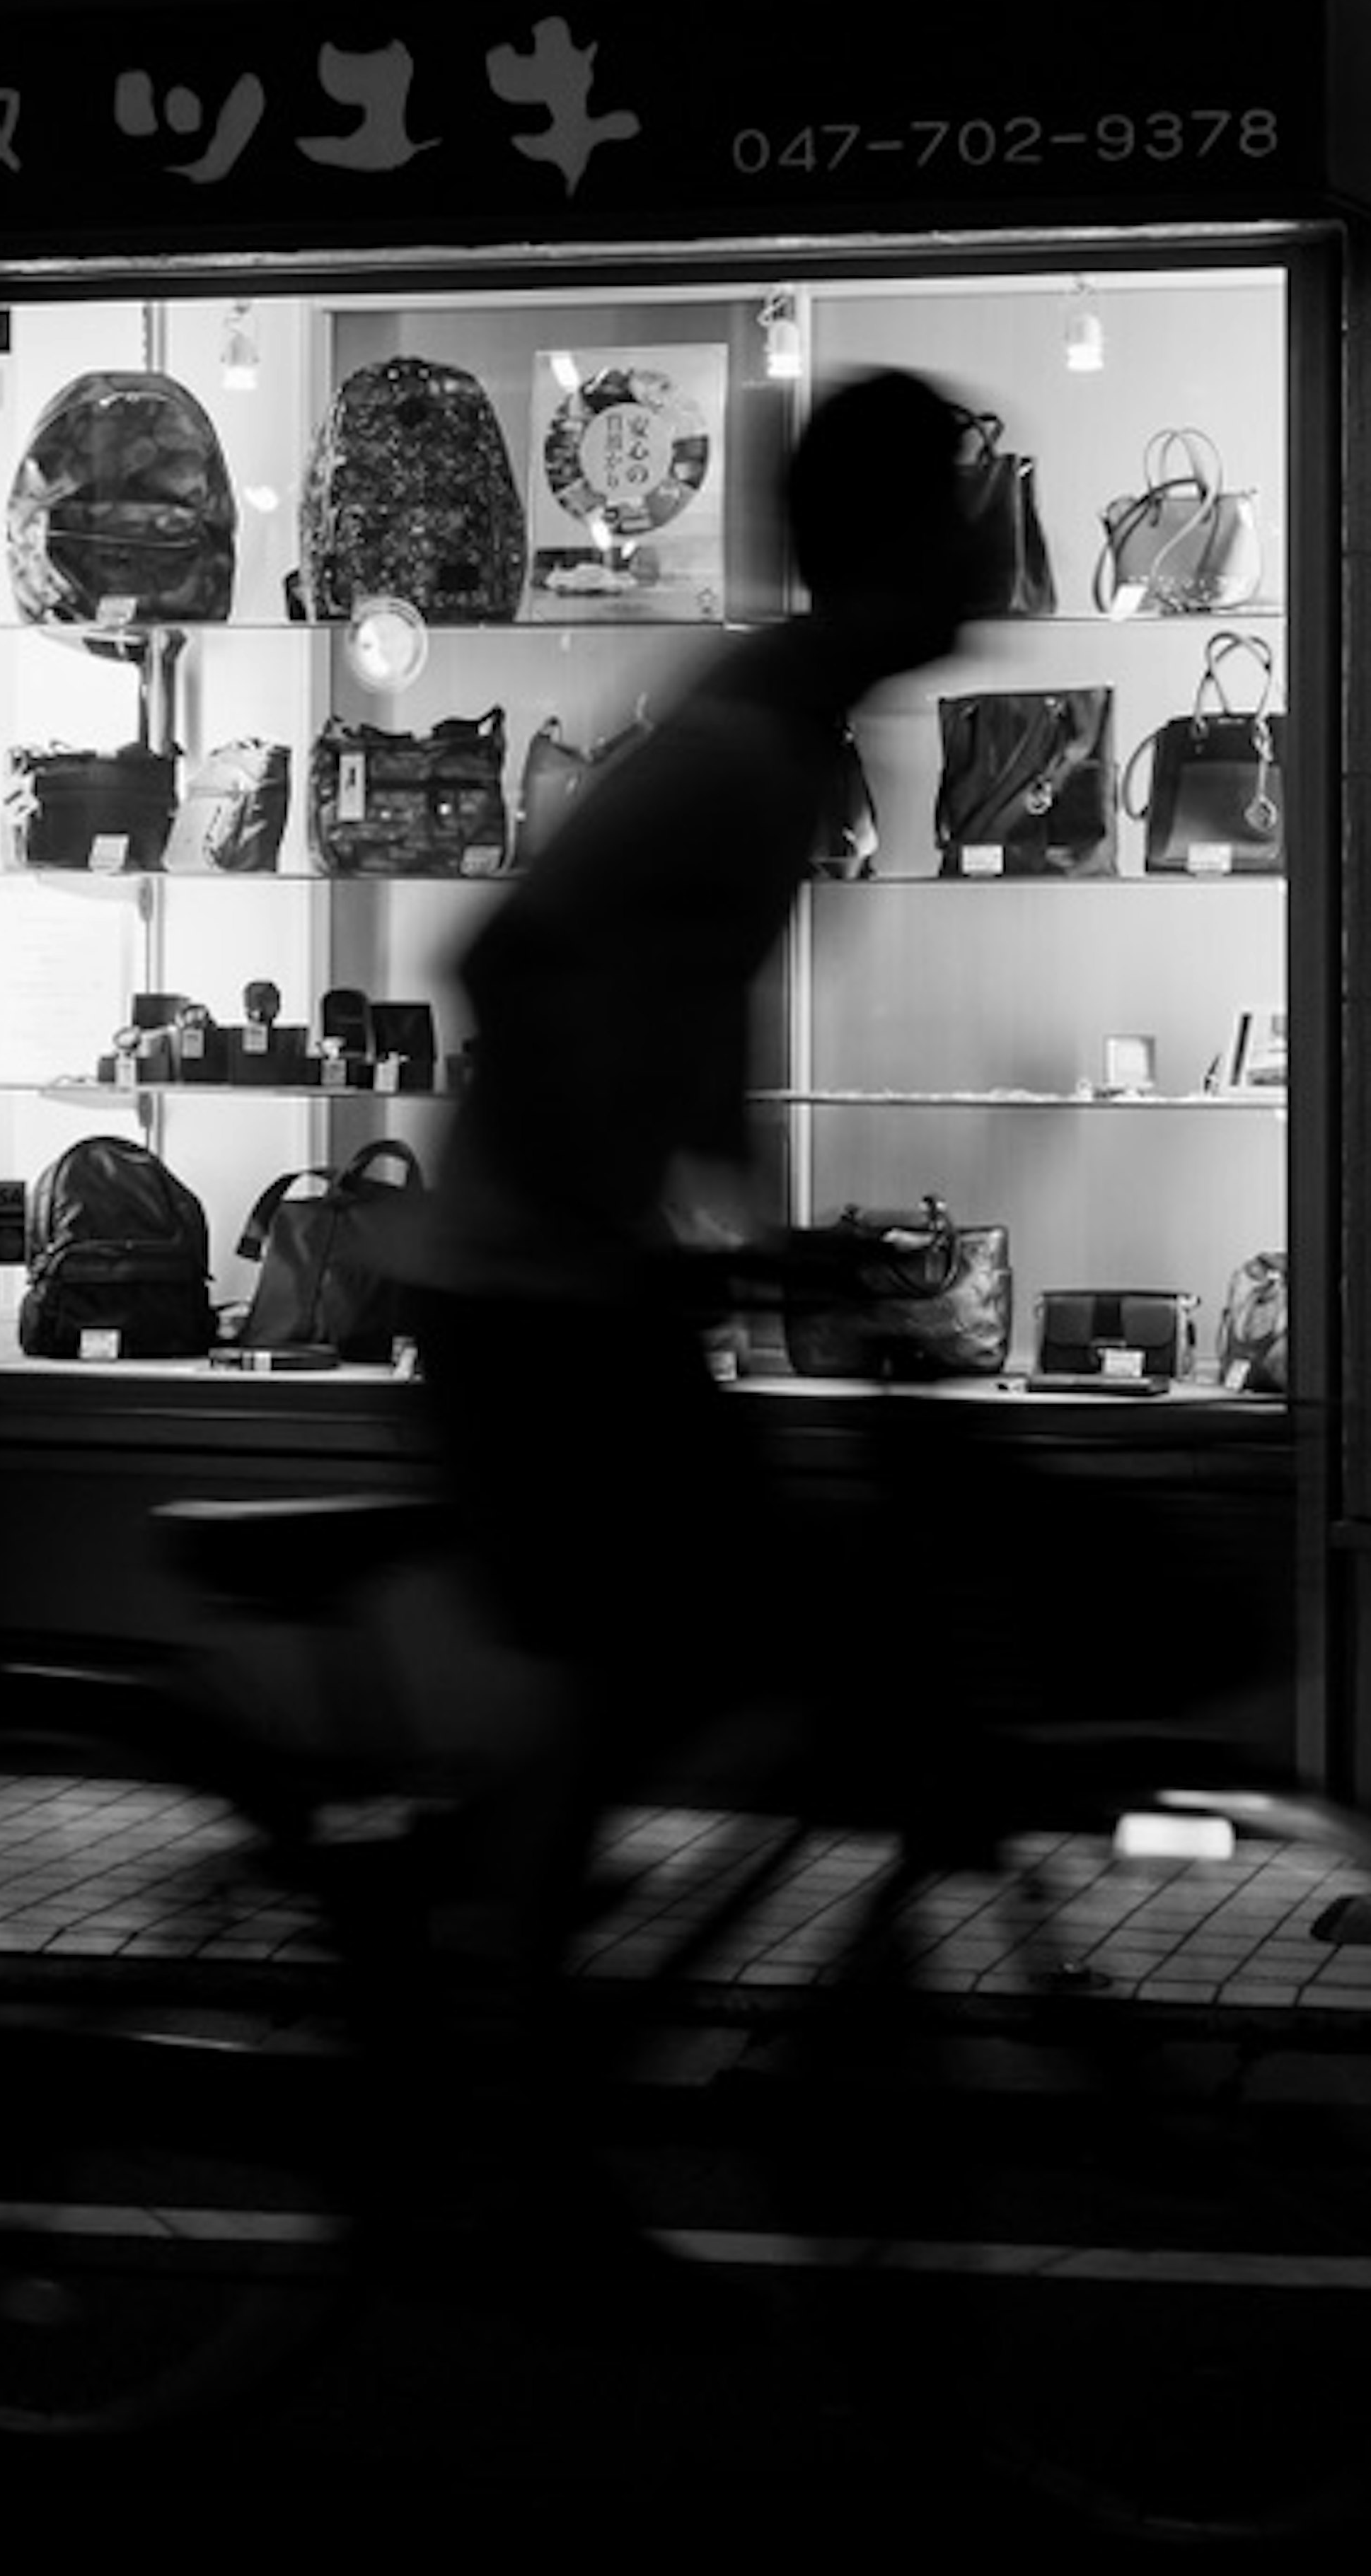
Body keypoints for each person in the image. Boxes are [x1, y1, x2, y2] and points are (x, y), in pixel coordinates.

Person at [404, 367, 987, 2022]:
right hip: (528, 1293)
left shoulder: (790, 733)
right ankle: (502, 2052)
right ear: (881, 551)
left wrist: (746, 1225)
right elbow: (515, 954)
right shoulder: (744, 744)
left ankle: (503, 1947)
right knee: (670, 1651)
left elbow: (683, 1000)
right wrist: (625, 1224)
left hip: (564, 1278)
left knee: (713, 1642)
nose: (985, 565)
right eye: (958, 524)